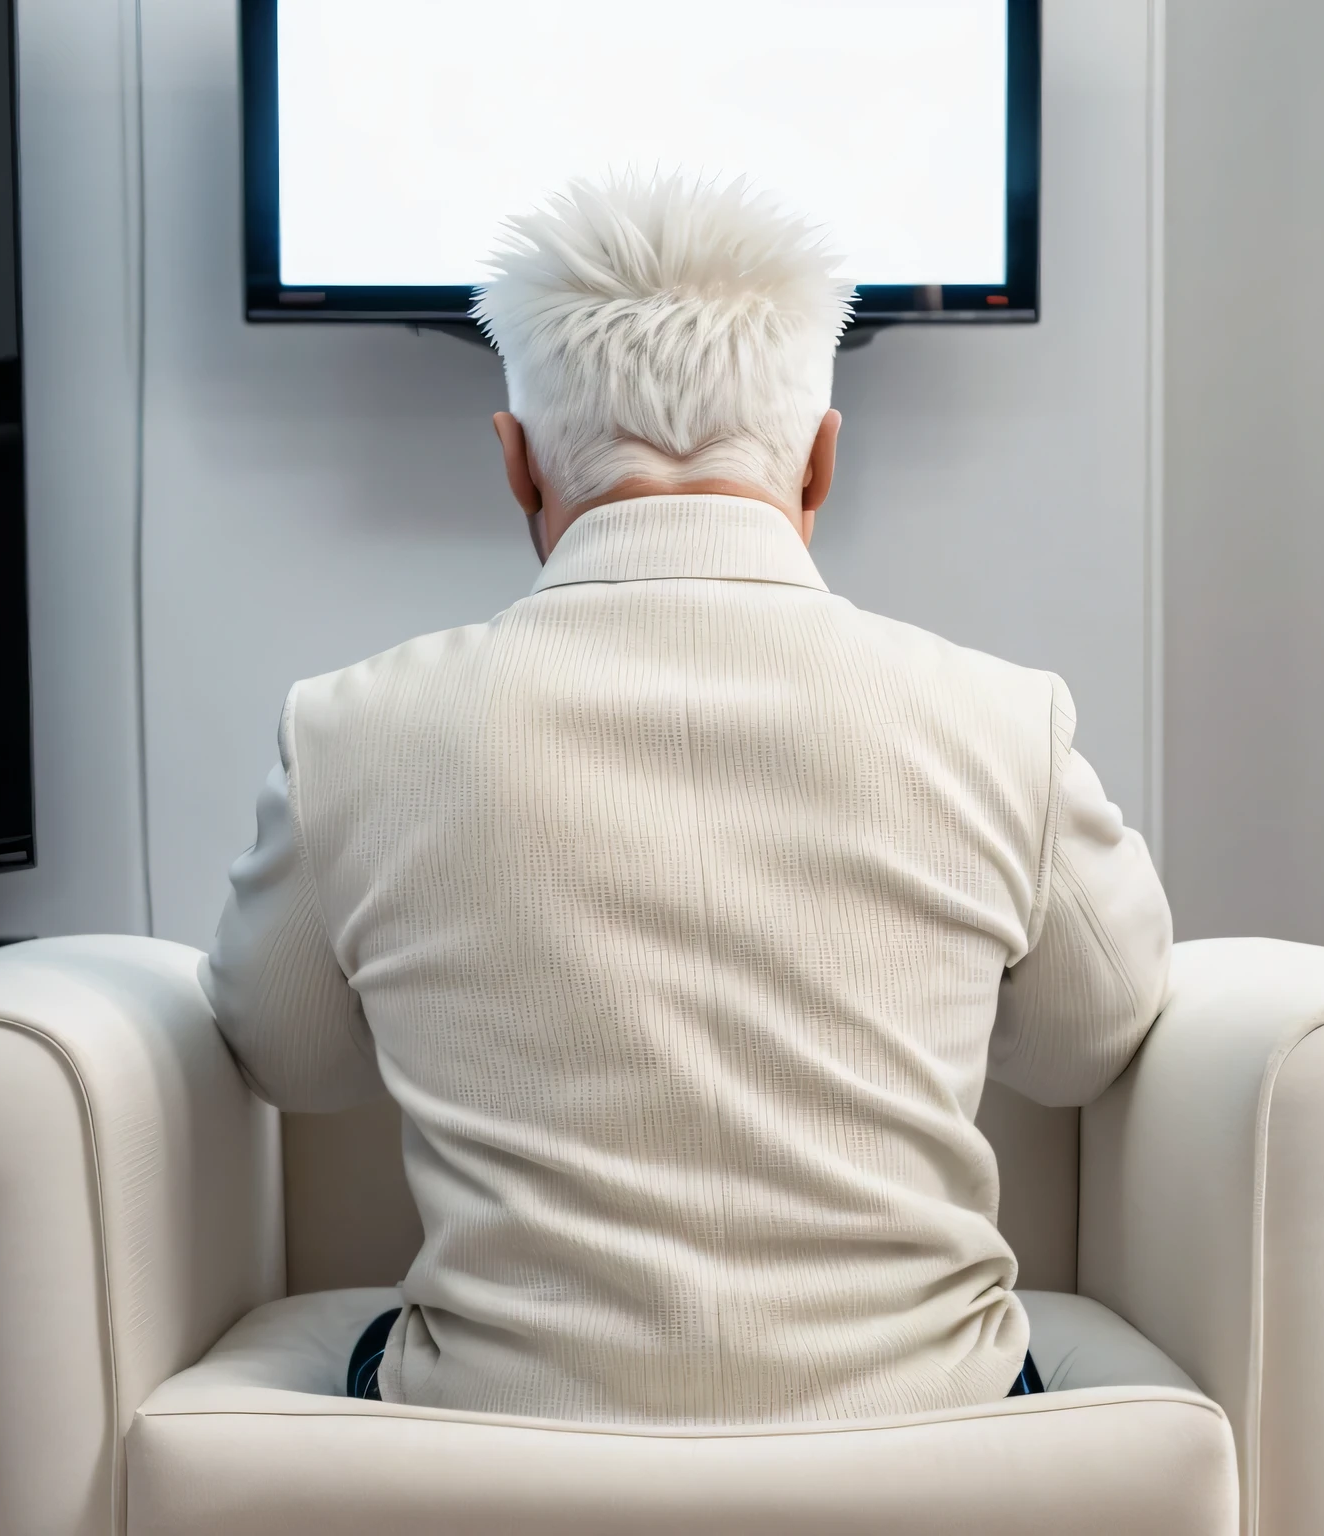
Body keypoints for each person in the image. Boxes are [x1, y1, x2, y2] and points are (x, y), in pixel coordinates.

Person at [203, 172, 1171, 1425]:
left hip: (499, 1425)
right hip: (931, 1419)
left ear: (516, 468)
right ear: (822, 461)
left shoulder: (349, 727)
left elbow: (289, 1060)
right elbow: (1093, 1041)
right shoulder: (1003, 719)